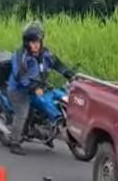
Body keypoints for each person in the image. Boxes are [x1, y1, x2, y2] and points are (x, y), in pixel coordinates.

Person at [6, 21, 75, 155]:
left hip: (39, 86)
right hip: (19, 90)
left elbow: (57, 64)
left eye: (38, 41)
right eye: (33, 42)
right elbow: (19, 76)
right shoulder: (21, 56)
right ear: (27, 43)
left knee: (55, 99)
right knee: (22, 113)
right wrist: (32, 87)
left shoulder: (45, 53)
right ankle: (14, 142)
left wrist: (70, 75)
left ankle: (46, 131)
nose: (36, 45)